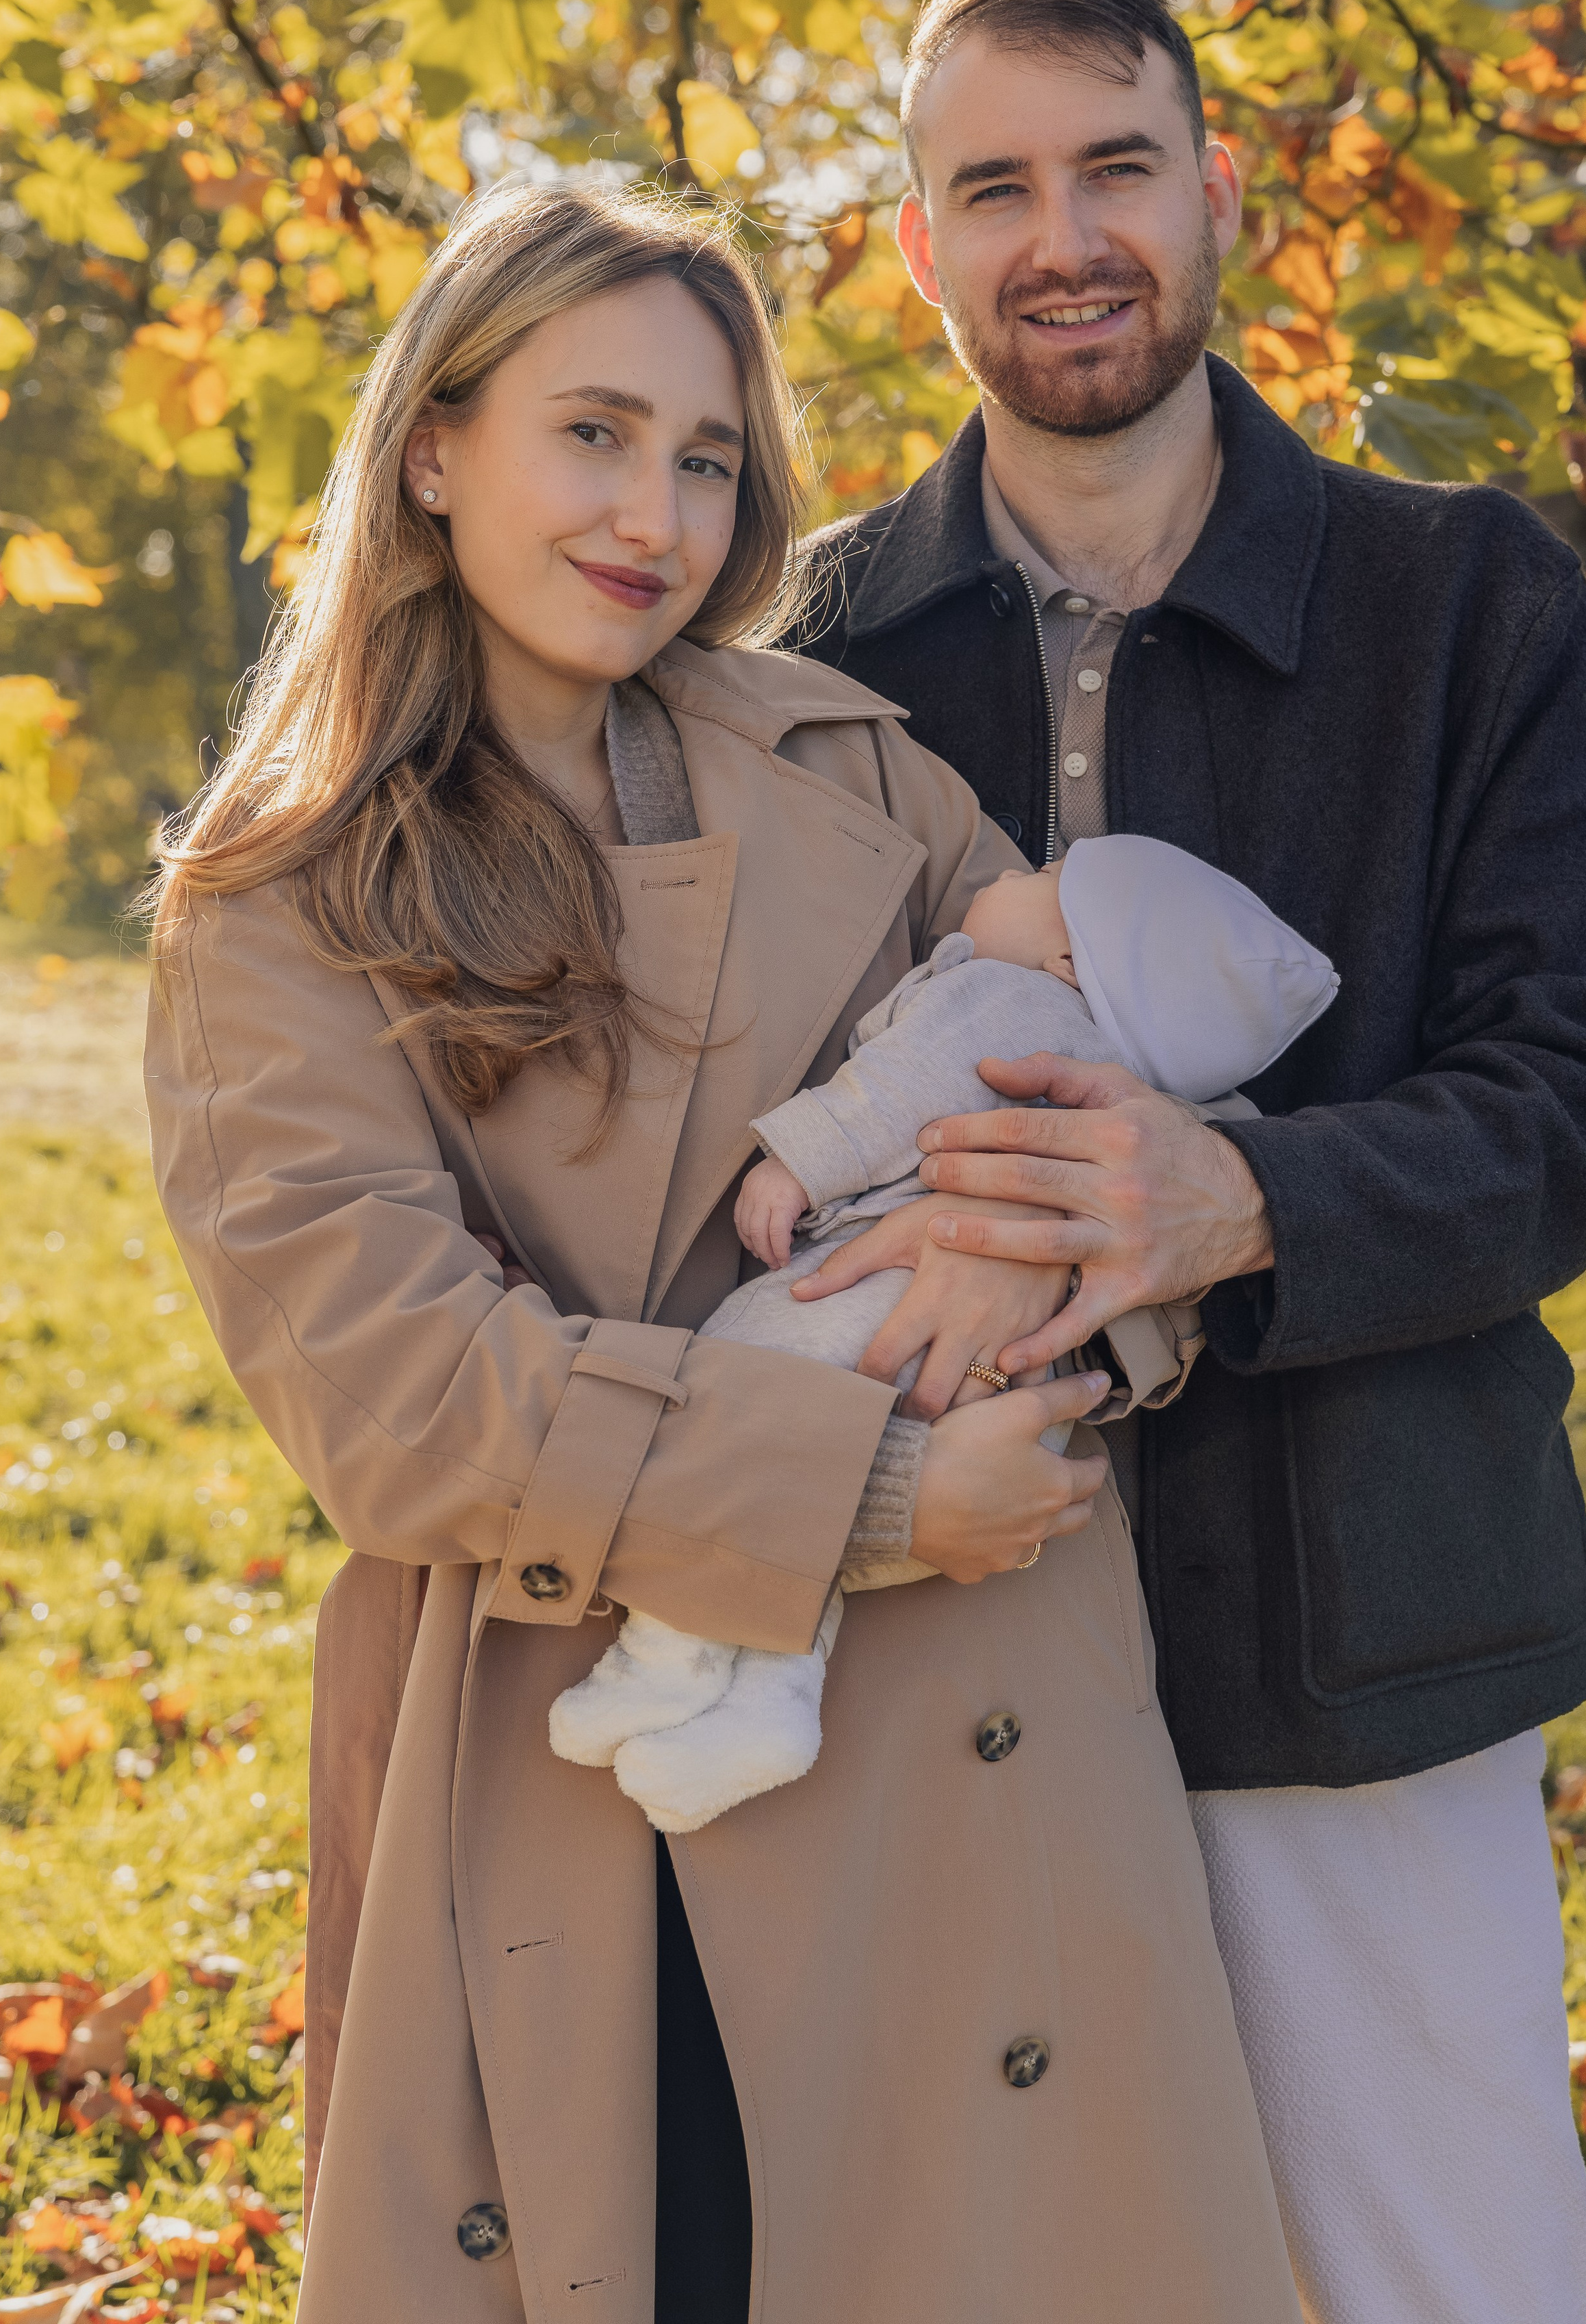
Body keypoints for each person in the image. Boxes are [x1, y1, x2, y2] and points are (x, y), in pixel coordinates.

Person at [141, 177, 1301, 2323]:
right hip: (577, 1728)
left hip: (985, 1724)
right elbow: (403, 1400)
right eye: (591, 432)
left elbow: (1104, 1116)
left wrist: (1051, 1310)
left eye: (703, 455)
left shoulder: (853, 769)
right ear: (432, 446)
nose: (652, 513)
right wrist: (865, 1493)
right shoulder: (279, 898)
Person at [795, 0, 1586, 2324]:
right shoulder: (807, 654)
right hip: (938, 1626)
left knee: (1442, 2277)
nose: (1061, 234)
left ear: (1220, 195)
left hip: (1366, 1622)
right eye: (990, 186)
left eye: (1116, 165)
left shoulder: (1461, 594)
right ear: (918, 248)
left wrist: (1250, 1199)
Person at [548, 836, 1337, 1833]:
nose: (1010, 875)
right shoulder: (1173, 1112)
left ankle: (668, 1664)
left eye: (1045, 885)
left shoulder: (1015, 1005)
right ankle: (767, 1697)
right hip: (1010, 1374)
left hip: (878, 1298)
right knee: (819, 1500)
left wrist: (796, 1166)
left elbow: (896, 1091)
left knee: (736, 1408)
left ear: (1069, 964)